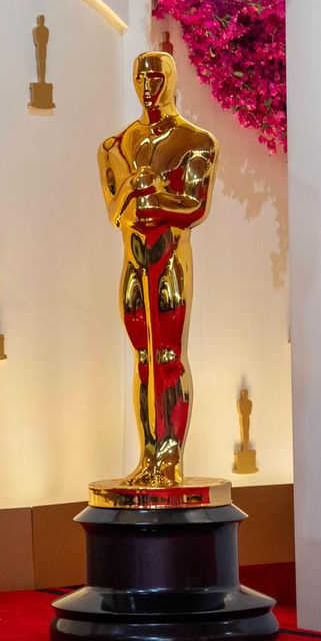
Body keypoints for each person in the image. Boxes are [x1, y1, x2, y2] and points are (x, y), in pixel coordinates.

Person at [98, 51, 218, 487]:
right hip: (134, 260)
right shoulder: (115, 146)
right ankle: (148, 455)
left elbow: (195, 206)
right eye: (140, 78)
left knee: (168, 357)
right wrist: (137, 187)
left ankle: (170, 460)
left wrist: (157, 196)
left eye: (156, 78)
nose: (147, 87)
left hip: (169, 258)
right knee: (144, 359)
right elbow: (116, 211)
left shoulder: (196, 142)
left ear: (171, 80)